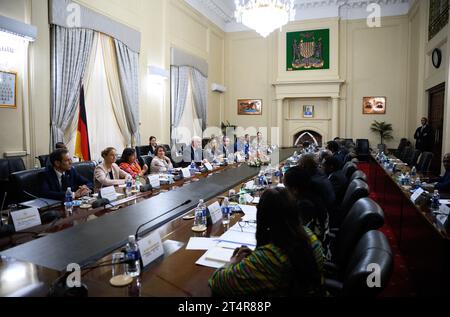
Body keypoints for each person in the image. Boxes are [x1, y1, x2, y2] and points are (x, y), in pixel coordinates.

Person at [208, 188, 325, 296]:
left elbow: (217, 282)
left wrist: (233, 261)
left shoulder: (269, 258)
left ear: (262, 216)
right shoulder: (309, 235)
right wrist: (254, 258)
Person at [283, 166, 328, 240]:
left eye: (285, 187)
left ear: (295, 190)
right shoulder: (312, 193)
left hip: (314, 247)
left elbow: (297, 236)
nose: (285, 190)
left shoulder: (305, 206)